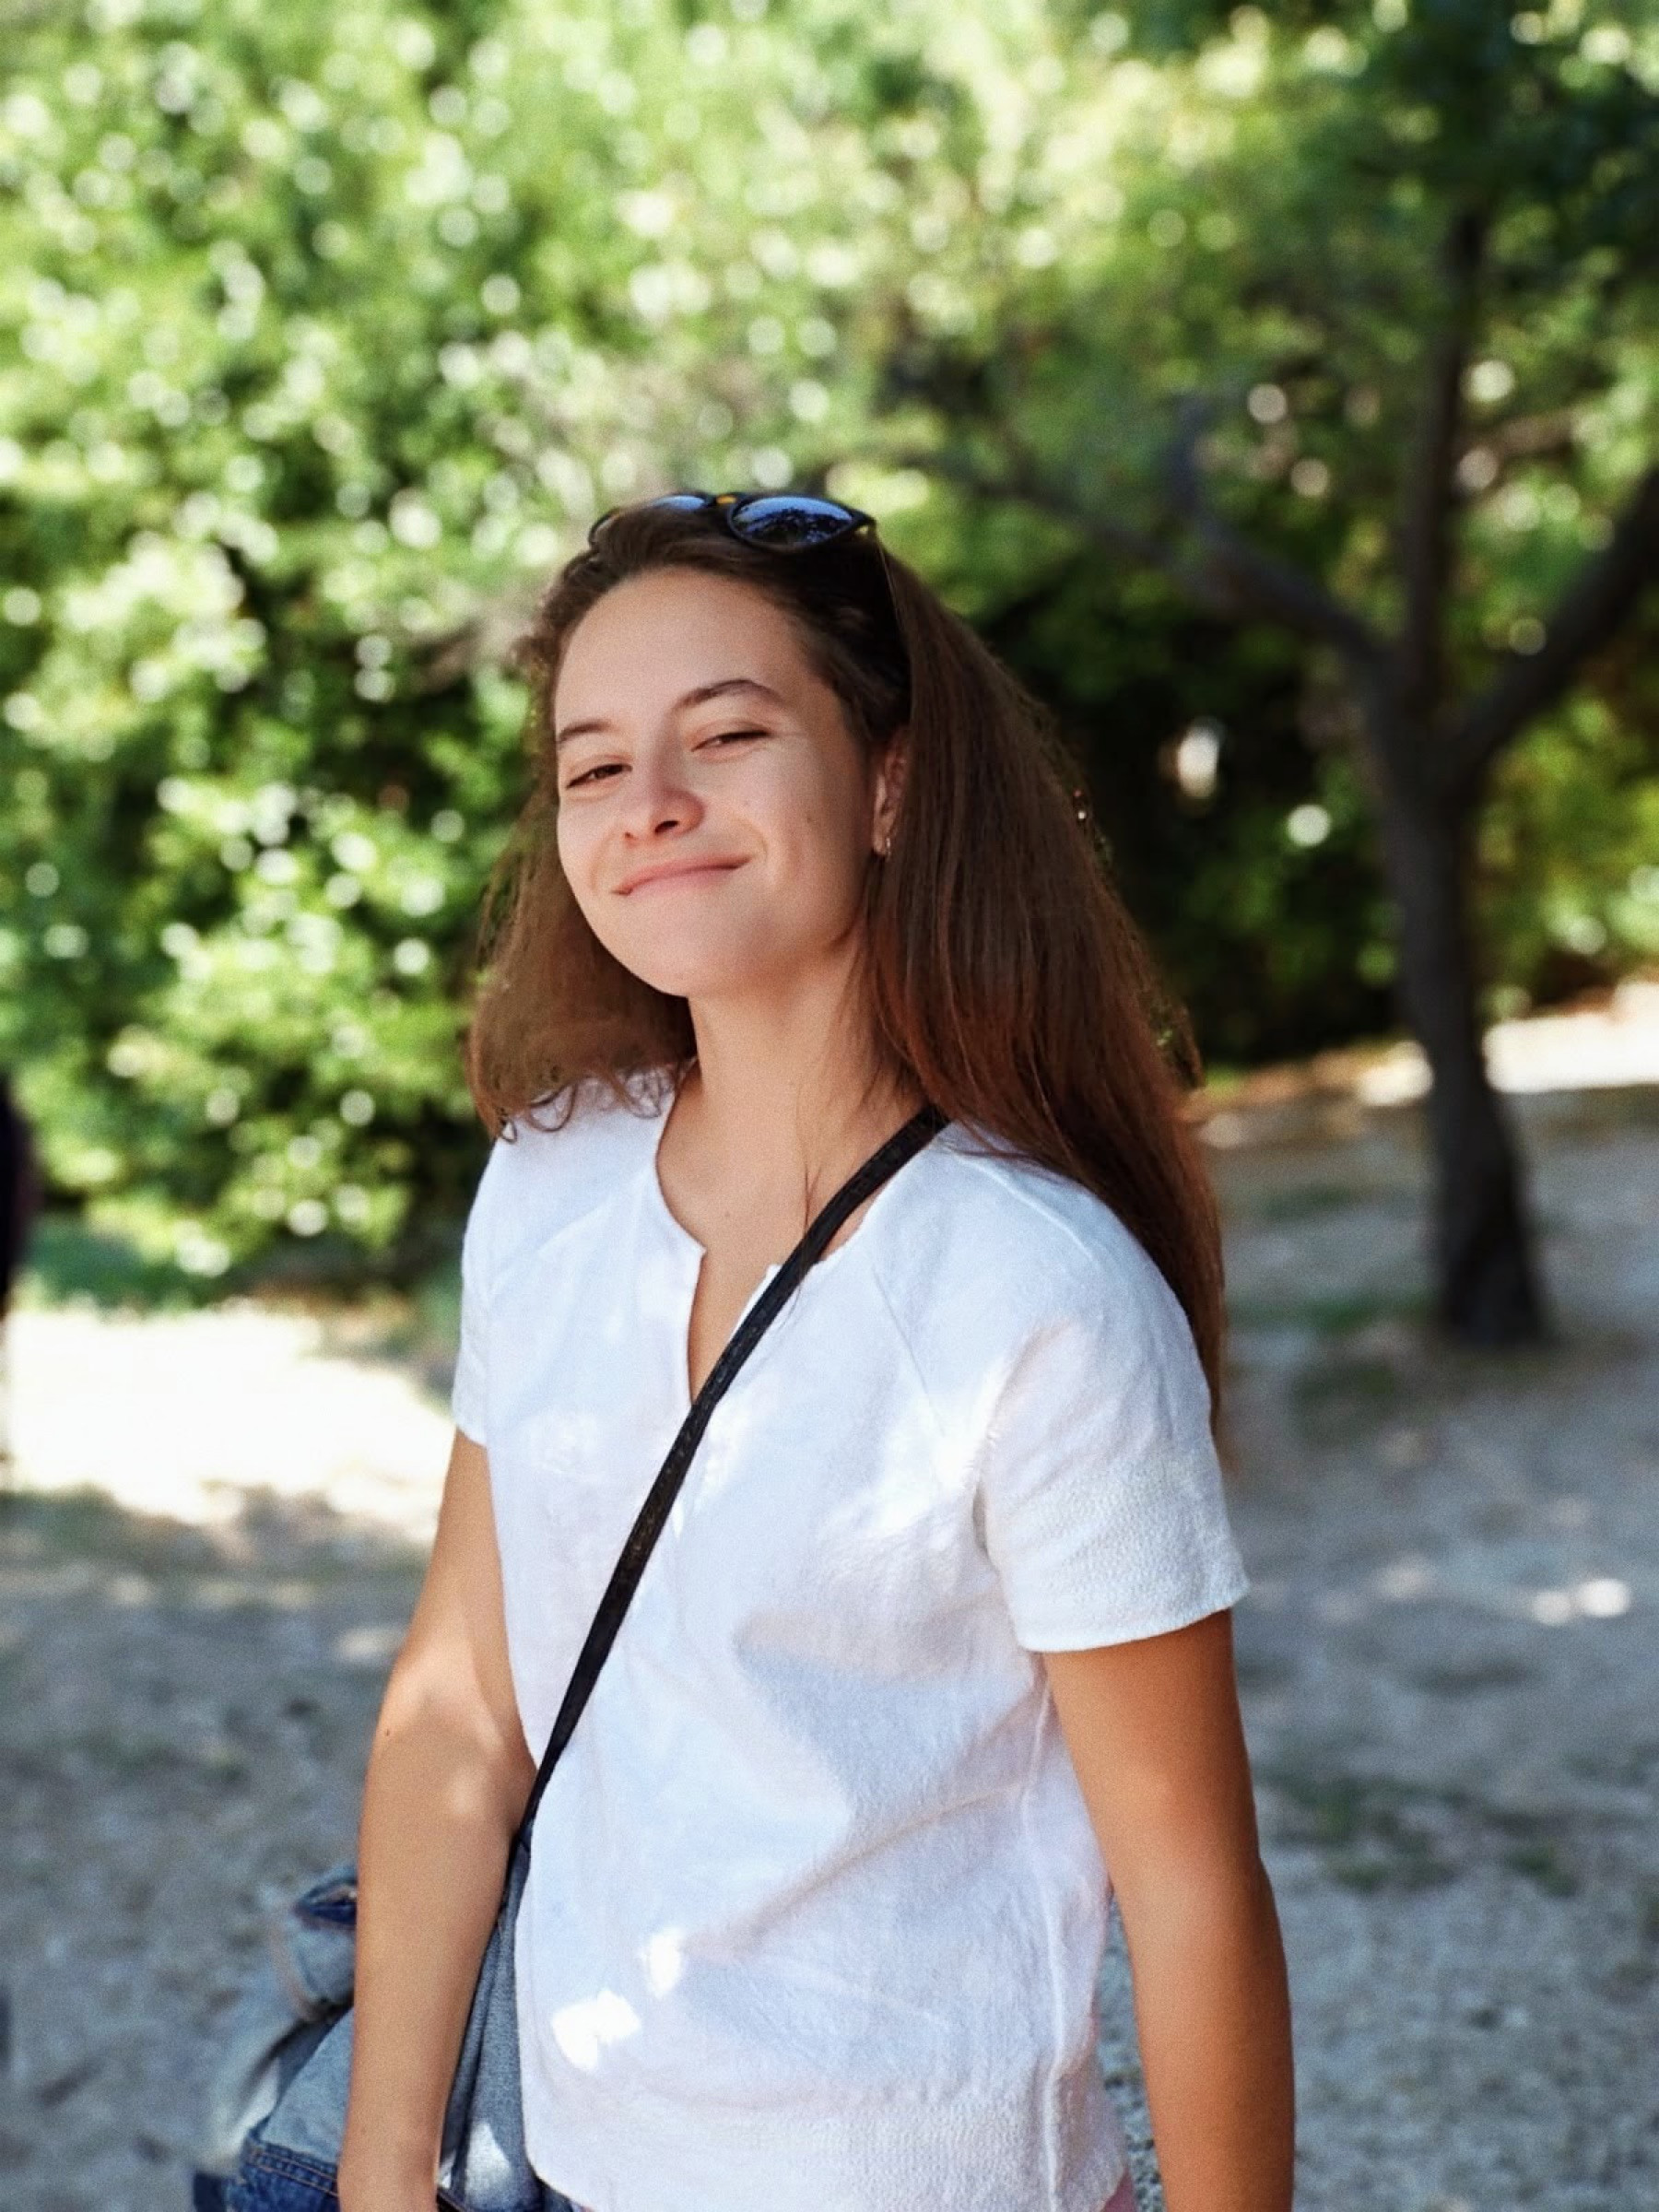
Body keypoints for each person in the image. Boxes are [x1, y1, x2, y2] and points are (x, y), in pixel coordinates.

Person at [338, 491, 1294, 2212]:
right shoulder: (548, 1185)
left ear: (889, 785)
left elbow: (1190, 1890)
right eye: (592, 765)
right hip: (566, 2168)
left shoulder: (1035, 1292)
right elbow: (459, 1707)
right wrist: (381, 2170)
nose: (651, 802)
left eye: (727, 734)